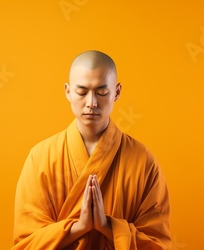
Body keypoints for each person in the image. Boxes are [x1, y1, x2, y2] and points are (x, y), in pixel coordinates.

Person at [12, 50, 171, 249]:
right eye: (82, 92)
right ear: (68, 92)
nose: (91, 103)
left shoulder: (143, 161)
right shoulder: (40, 158)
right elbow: (27, 243)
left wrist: (107, 226)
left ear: (117, 92)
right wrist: (79, 227)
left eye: (102, 92)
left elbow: (158, 244)